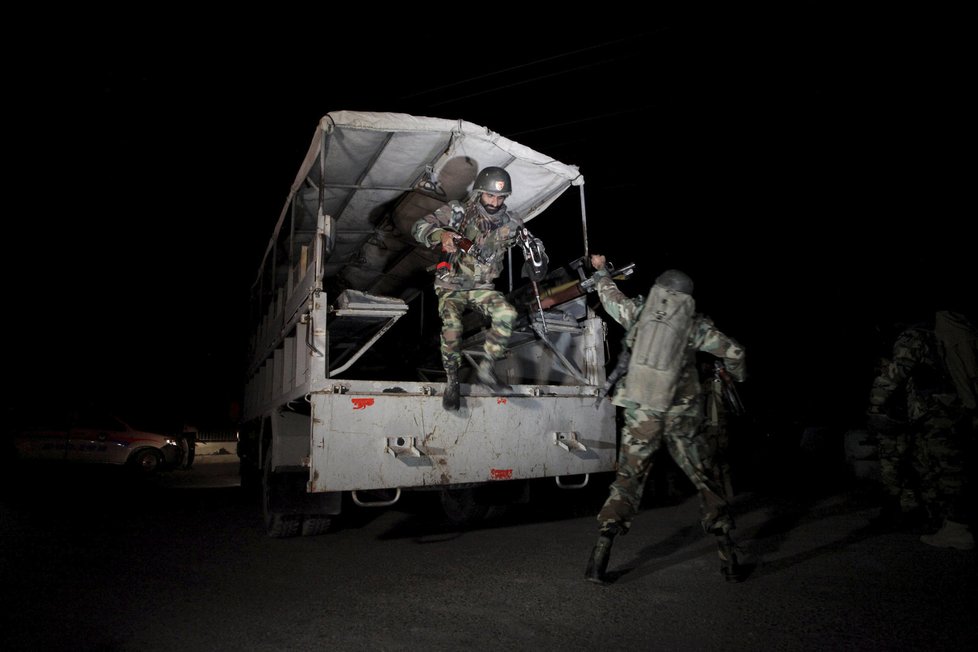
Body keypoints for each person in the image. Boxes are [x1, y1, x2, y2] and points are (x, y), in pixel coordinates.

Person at [584, 256, 747, 584]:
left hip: (642, 410)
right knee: (704, 479)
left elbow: (610, 297)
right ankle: (728, 556)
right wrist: (735, 377)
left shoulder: (642, 312)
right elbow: (735, 353)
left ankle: (601, 553)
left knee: (628, 478)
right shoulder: (694, 323)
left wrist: (601, 271)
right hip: (681, 414)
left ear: (660, 290)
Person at [412, 166, 524, 411]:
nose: (495, 202)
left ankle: (487, 369)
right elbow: (418, 227)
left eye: (500, 197)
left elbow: (527, 244)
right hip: (451, 284)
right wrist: (440, 234)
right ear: (479, 193)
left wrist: (536, 254)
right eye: (490, 196)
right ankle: (452, 381)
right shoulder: (457, 211)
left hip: (481, 287)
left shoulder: (512, 221)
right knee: (452, 326)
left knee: (507, 313)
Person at [866, 310, 976, 550]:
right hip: (949, 407)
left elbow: (897, 372)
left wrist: (876, 401)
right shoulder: (935, 333)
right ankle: (946, 523)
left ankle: (958, 528)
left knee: (948, 469)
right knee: (942, 467)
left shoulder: (912, 336)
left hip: (937, 410)